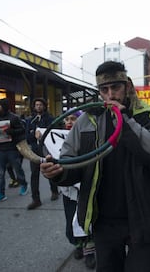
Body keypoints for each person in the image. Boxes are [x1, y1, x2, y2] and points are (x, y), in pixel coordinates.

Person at [40, 61, 150, 272]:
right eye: (104, 89)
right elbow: (70, 160)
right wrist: (58, 173)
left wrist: (125, 120)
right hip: (104, 220)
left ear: (127, 86)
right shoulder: (87, 121)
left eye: (116, 87)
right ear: (99, 91)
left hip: (143, 216)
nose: (110, 94)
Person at [59, 110, 96, 269]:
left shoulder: (88, 136)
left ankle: (89, 249)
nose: (69, 121)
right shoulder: (56, 137)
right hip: (68, 190)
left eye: (73, 118)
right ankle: (78, 245)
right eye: (66, 119)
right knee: (70, 219)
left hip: (85, 186)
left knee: (86, 218)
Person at [0, 98, 29, 204]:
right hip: (0, 149)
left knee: (17, 169)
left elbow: (22, 130)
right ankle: (1, 194)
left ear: (4, 106)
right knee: (0, 173)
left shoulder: (14, 117)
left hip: (12, 149)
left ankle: (23, 184)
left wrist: (12, 131)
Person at [26, 98, 58, 210]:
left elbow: (54, 133)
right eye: (36, 105)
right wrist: (33, 135)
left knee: (50, 171)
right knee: (34, 174)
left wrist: (43, 135)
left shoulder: (50, 119)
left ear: (44, 106)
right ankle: (36, 199)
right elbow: (27, 138)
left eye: (40, 105)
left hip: (46, 150)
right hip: (35, 151)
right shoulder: (30, 121)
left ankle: (54, 191)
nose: (38, 107)